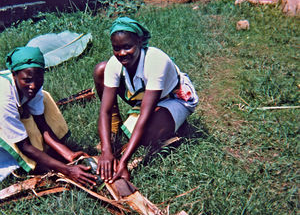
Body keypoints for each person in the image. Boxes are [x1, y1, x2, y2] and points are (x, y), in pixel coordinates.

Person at [94, 17, 198, 183]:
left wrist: (123, 162)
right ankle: (116, 131)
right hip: (144, 97)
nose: (122, 53)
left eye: (128, 47)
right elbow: (105, 111)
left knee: (147, 136)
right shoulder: (115, 64)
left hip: (174, 98)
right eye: (116, 48)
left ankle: (172, 123)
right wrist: (106, 151)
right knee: (101, 69)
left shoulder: (156, 61)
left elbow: (144, 117)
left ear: (140, 42)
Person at [0, 46, 97, 186]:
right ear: (14, 74)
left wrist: (68, 154)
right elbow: (24, 146)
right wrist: (67, 171)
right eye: (27, 80)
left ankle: (45, 155)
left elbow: (42, 125)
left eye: (38, 79)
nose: (33, 85)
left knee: (45, 98)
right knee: (13, 156)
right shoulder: (4, 100)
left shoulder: (32, 84)